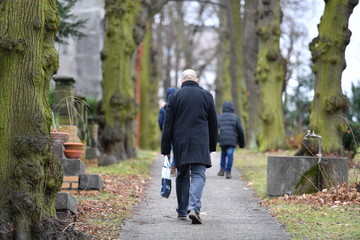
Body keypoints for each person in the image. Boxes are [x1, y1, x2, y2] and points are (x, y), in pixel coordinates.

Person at [161, 69, 218, 224]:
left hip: (181, 143)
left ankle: (181, 211)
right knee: (198, 175)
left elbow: (168, 125)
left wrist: (166, 149)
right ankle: (194, 208)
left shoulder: (174, 97)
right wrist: (212, 145)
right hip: (200, 142)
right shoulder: (207, 96)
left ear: (182, 80)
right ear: (197, 80)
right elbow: (213, 123)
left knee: (182, 176)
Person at [217, 101, 245, 179]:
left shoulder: (219, 117)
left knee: (223, 154)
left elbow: (215, 129)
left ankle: (222, 170)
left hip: (223, 139)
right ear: (232, 108)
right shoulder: (235, 118)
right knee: (230, 154)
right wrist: (241, 143)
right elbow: (240, 130)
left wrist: (216, 139)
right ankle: (228, 172)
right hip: (232, 140)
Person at [158, 87, 177, 175]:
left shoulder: (163, 108)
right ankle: (174, 165)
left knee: (167, 149)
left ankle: (167, 165)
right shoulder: (177, 106)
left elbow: (161, 121)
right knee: (175, 149)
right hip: (176, 132)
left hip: (167, 131)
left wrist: (163, 129)